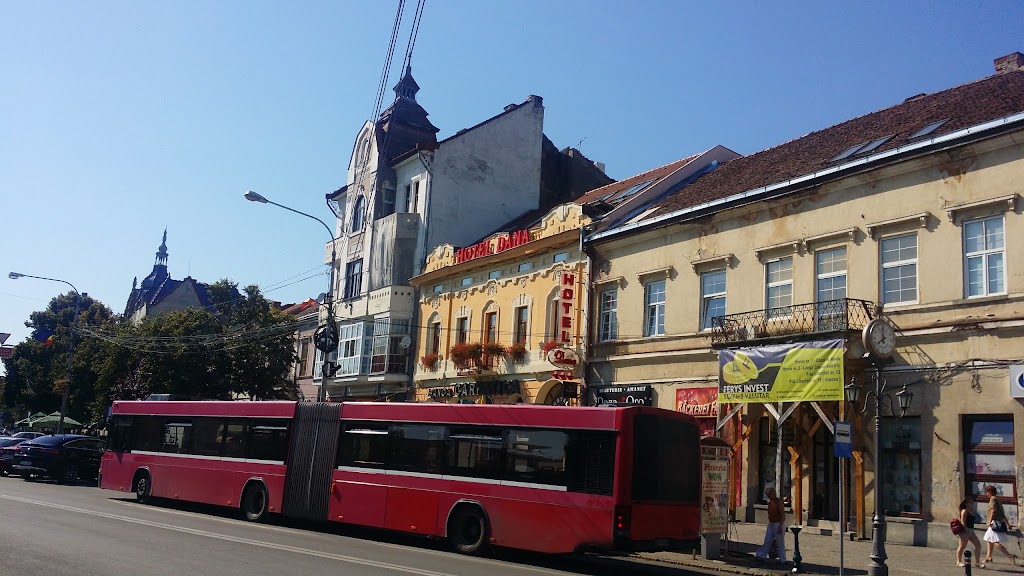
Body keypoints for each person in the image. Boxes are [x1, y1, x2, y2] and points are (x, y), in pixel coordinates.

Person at [983, 485, 1017, 566]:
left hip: (994, 523)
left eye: (987, 492)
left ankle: (1010, 556)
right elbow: (1002, 513)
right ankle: (988, 557)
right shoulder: (997, 500)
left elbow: (993, 511)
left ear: (990, 492)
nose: (986, 494)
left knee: (994, 542)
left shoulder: (992, 500)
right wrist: (1007, 523)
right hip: (998, 522)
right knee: (989, 539)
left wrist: (990, 522)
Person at [755, 486, 787, 564]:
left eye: (770, 494)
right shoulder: (770, 502)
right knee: (768, 539)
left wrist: (781, 526)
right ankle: (761, 555)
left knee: (780, 542)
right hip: (771, 523)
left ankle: (783, 559)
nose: (769, 496)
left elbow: (782, 514)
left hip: (778, 523)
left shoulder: (778, 502)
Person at [955, 499, 982, 568]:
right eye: (970, 502)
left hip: (971, 530)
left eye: (972, 502)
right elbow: (962, 522)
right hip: (965, 531)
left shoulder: (971, 511)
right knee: (962, 546)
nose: (971, 503)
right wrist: (966, 530)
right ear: (966, 503)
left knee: (978, 545)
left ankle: (977, 562)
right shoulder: (964, 511)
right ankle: (959, 561)